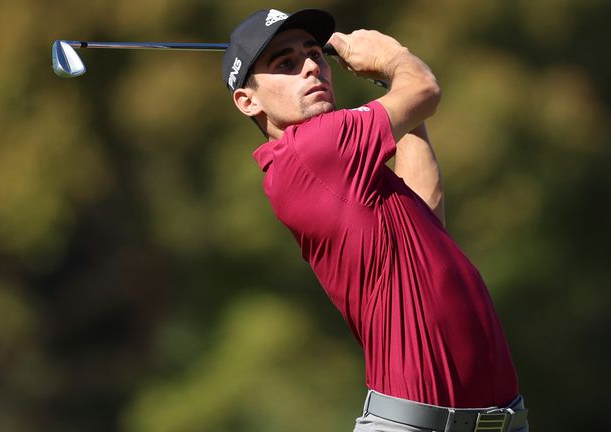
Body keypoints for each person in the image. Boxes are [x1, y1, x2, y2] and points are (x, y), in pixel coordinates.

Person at [221, 8, 529, 432]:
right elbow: (424, 88)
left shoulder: (348, 175)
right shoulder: (311, 148)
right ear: (247, 100)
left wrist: (388, 82)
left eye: (315, 54)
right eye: (285, 63)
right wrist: (393, 57)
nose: (311, 66)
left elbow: (427, 207)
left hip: (498, 422)